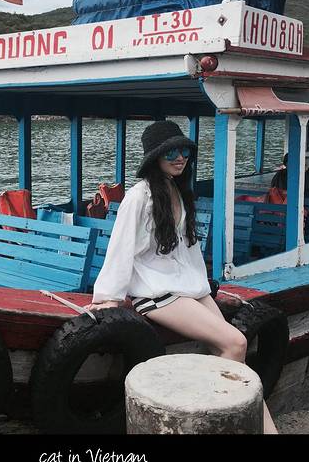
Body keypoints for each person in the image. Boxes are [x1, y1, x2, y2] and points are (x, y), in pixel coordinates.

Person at [85, 120, 278, 434]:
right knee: (235, 342)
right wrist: (109, 297)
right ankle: (225, 423)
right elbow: (121, 247)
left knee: (230, 349)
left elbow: (188, 250)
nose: (180, 158)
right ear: (155, 157)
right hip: (157, 294)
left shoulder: (177, 190)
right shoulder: (139, 197)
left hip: (188, 289)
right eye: (171, 152)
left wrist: (202, 288)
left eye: (184, 152)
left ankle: (263, 429)